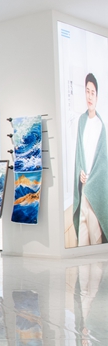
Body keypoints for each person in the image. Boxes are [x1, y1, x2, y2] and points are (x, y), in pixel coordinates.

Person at [73, 73, 108, 246]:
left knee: (95, 239)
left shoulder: (100, 126)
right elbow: (79, 154)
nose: (89, 96)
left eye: (92, 92)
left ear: (97, 96)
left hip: (94, 191)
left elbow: (102, 165)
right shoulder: (81, 121)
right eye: (87, 91)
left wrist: (91, 178)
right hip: (83, 189)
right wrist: (80, 170)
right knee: (82, 239)